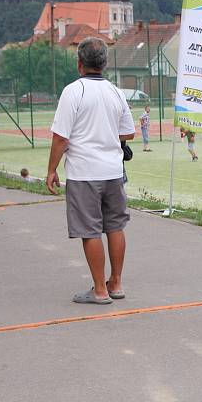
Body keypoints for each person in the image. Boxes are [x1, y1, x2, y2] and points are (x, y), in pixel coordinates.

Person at [46, 37, 135, 305]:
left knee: (90, 230)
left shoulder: (73, 91)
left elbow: (61, 138)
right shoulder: (116, 92)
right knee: (115, 226)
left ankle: (99, 289)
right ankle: (116, 283)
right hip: (113, 171)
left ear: (79, 64)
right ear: (105, 63)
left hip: (84, 172)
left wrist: (51, 169)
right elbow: (128, 132)